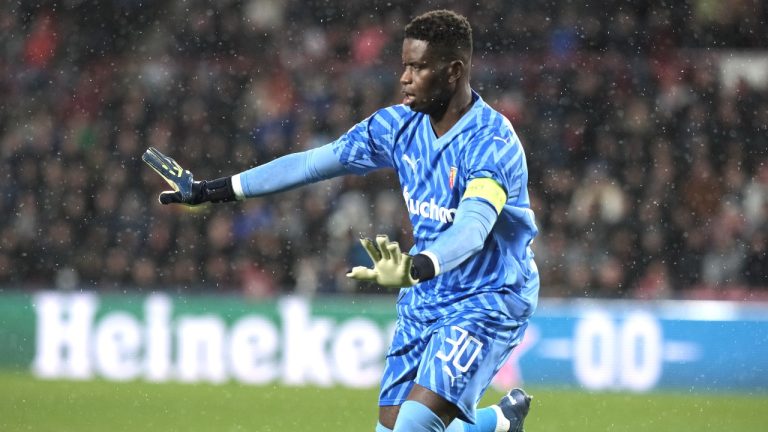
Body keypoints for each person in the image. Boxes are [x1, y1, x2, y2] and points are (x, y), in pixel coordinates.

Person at [144, 10, 539, 432]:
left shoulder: (492, 143)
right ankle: (496, 424)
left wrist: (415, 266)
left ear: (454, 72)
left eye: (418, 67)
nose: (404, 77)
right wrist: (211, 189)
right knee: (391, 429)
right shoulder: (397, 127)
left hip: (488, 296)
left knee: (414, 427)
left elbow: (473, 229)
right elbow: (312, 164)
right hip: (426, 294)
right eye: (404, 65)